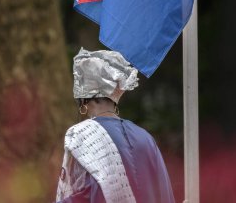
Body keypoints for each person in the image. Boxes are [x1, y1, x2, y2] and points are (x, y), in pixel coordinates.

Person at [55, 48, 175, 203]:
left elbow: (77, 194)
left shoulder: (81, 134)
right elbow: (164, 194)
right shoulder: (145, 137)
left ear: (83, 100)